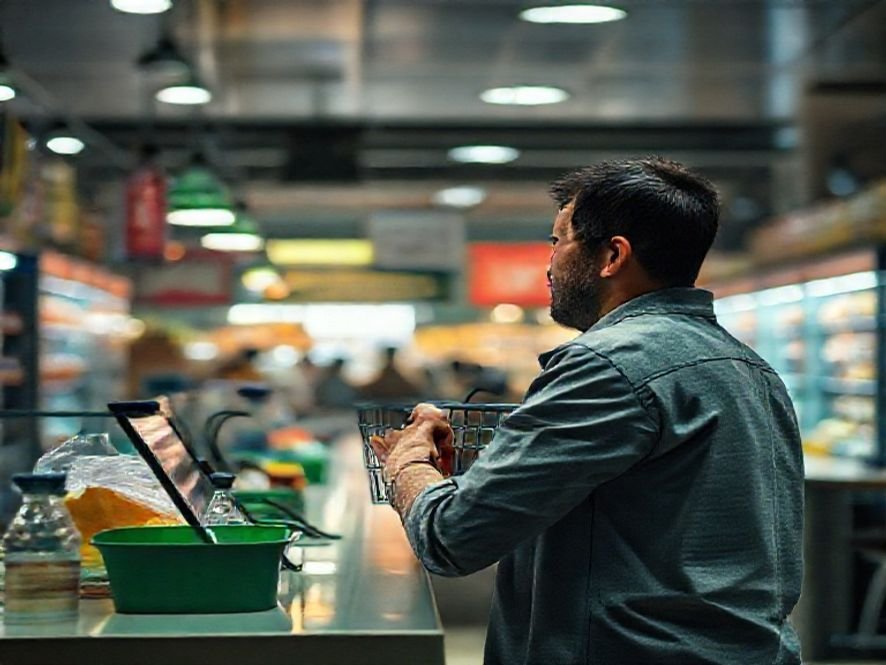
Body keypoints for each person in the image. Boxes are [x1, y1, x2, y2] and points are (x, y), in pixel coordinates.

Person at [372, 157, 804, 664]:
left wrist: (407, 460)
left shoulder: (608, 365)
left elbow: (451, 538)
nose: (549, 263)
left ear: (612, 256)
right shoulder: (750, 367)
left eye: (558, 242)